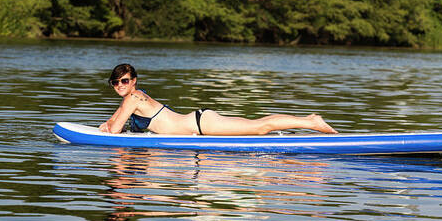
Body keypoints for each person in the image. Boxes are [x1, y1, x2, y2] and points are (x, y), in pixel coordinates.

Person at [99, 63, 337, 135]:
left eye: (125, 80)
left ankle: (311, 121)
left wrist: (106, 129)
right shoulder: (131, 99)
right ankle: (308, 121)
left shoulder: (133, 99)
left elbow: (114, 129)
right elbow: (113, 123)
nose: (121, 85)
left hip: (202, 125)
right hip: (201, 121)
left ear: (134, 81)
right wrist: (107, 126)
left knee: (261, 127)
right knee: (259, 125)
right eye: (116, 82)